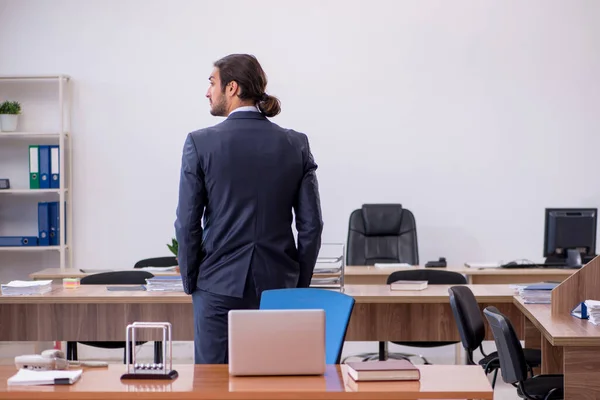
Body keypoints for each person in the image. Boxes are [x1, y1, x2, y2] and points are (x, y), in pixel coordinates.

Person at [174, 54, 324, 364]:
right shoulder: (295, 144)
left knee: (213, 386)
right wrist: (298, 285)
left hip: (216, 287)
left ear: (232, 87)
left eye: (212, 83)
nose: (207, 92)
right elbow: (311, 226)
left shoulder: (200, 143)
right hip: (279, 286)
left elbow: (187, 223)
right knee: (276, 381)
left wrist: (191, 282)